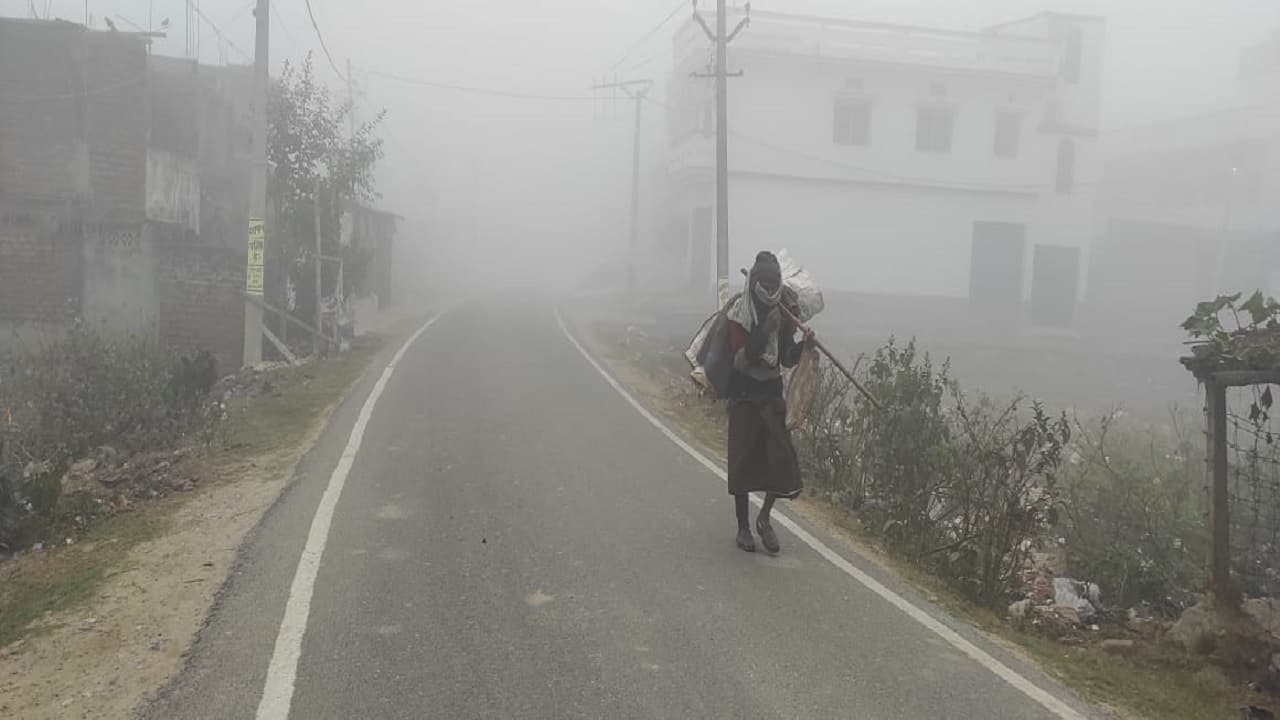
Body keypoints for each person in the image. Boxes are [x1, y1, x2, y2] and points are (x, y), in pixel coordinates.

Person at [725, 251, 812, 554]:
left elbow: (786, 359)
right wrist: (764, 331)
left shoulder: (785, 311)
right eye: (766, 282)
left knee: (780, 459)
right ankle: (743, 528)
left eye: (775, 283)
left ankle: (764, 518)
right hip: (745, 394)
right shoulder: (740, 312)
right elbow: (738, 359)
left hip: (772, 393)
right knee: (743, 463)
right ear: (755, 281)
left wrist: (804, 346)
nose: (770, 289)